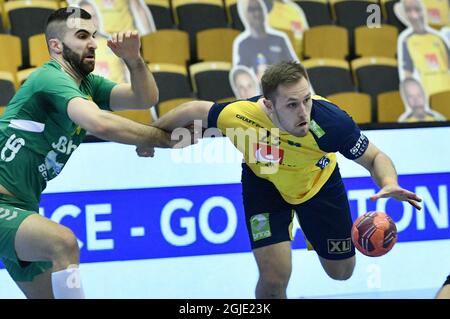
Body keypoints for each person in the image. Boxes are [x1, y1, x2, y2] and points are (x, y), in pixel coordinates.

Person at [150, 61, 422, 298]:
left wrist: (388, 181)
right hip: (264, 184)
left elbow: (374, 157)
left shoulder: (331, 122)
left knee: (341, 272)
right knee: (272, 281)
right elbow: (193, 110)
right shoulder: (241, 115)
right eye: (292, 104)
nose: (303, 112)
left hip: (319, 185)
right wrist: (152, 135)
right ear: (268, 105)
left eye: (307, 99)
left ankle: (312, 225)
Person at [0, 7, 172, 299]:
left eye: (93, 35)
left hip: (23, 208)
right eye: (82, 36)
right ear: (56, 45)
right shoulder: (50, 78)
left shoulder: (89, 85)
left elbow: (145, 98)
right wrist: (163, 140)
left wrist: (134, 59)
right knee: (64, 243)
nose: (93, 43)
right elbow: (99, 123)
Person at [233, 0, 298, 80]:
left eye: (259, 8)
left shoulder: (279, 39)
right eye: (251, 10)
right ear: (245, 14)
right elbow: (242, 76)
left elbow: (294, 68)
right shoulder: (243, 44)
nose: (257, 13)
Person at [396, 0, 450, 97]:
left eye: (417, 9)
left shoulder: (438, 38)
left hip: (447, 89)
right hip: (428, 94)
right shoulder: (407, 41)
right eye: (409, 10)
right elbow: (408, 75)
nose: (415, 15)